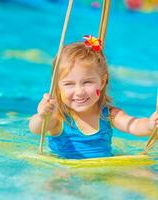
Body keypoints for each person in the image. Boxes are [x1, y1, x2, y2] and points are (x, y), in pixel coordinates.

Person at [29, 35, 158, 159]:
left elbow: (133, 125)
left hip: (102, 169)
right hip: (65, 170)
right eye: (69, 84)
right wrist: (42, 116)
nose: (79, 92)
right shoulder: (58, 116)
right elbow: (36, 129)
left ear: (102, 82)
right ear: (57, 86)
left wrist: (150, 125)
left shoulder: (109, 115)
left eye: (87, 82)